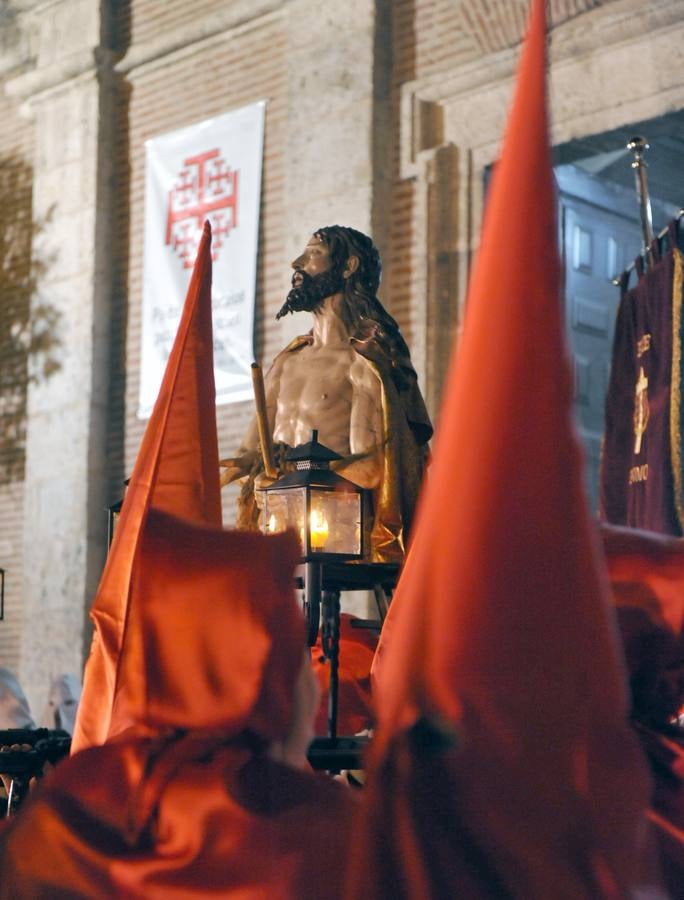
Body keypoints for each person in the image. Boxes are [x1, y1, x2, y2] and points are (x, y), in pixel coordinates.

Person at [0, 509, 356, 898]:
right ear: (268, 677)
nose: (312, 684)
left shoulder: (71, 808)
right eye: (297, 659)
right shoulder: (334, 837)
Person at [222, 225, 432, 563]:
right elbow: (252, 449)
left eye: (313, 254)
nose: (297, 263)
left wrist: (298, 481)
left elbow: (372, 468)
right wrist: (239, 465)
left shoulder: (360, 363)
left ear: (348, 267)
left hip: (337, 532)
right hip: (276, 527)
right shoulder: (287, 362)